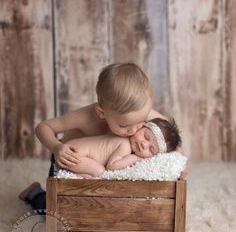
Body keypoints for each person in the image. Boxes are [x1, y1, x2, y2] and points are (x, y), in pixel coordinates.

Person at [18, 62, 186, 211]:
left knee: (105, 207)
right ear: (102, 112)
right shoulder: (86, 117)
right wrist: (57, 147)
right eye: (124, 125)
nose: (134, 130)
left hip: (102, 169)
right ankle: (34, 193)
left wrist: (181, 164)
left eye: (141, 122)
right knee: (56, 209)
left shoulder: (139, 113)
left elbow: (171, 136)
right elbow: (43, 127)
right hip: (71, 162)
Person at [53, 118, 181, 178]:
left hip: (74, 151)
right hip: (73, 155)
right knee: (100, 171)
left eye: (151, 150)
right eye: (146, 136)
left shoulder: (124, 138)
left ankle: (79, 173)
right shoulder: (124, 144)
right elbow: (112, 166)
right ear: (140, 126)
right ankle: (79, 175)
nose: (144, 144)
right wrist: (134, 158)